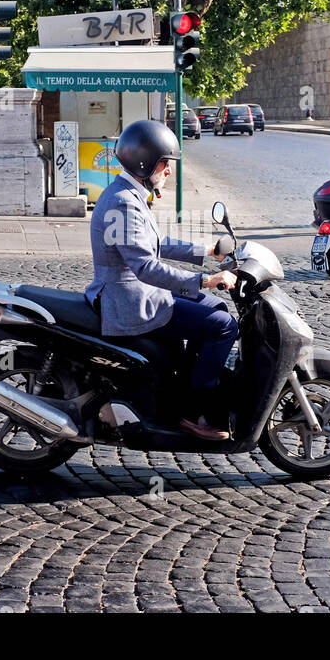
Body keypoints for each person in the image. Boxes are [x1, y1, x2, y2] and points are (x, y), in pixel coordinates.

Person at [84, 119, 238, 441]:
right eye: (165, 163)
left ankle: (186, 389)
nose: (169, 171)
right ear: (146, 162)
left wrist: (205, 249)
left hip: (135, 293)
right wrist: (207, 279)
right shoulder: (124, 201)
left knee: (215, 309)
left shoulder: (127, 192)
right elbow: (146, 267)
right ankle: (196, 412)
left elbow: (154, 242)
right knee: (224, 325)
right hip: (130, 302)